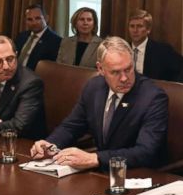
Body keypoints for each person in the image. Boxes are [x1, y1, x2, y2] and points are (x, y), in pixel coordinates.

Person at [30, 36, 168, 170]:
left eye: (128, 69)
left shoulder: (152, 97)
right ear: (100, 69)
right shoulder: (94, 87)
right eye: (115, 72)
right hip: (103, 173)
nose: (124, 78)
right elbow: (72, 126)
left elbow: (145, 152)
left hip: (136, 174)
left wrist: (95, 158)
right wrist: (50, 144)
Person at [126, 9, 182, 81]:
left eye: (139, 26)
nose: (135, 30)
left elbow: (182, 69)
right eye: (132, 26)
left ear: (148, 29)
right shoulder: (122, 49)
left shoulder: (163, 51)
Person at [13, 3, 61, 70]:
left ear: (46, 18)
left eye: (38, 18)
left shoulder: (56, 41)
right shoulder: (22, 36)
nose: (34, 23)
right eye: (29, 19)